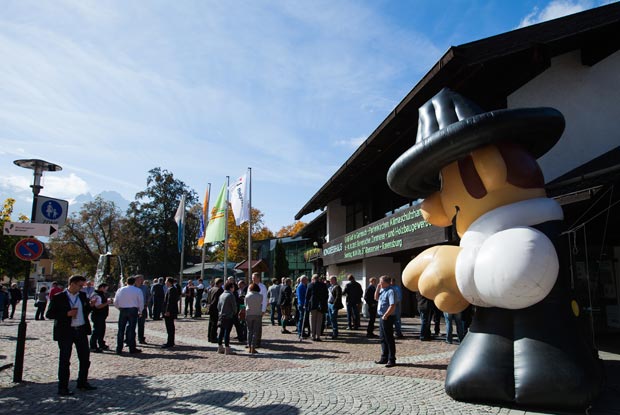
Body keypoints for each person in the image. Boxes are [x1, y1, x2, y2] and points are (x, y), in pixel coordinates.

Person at [45, 275, 97, 395]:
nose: (82, 288)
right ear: (72, 284)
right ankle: (63, 387)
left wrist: (90, 306)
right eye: (80, 285)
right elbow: (49, 314)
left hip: (81, 330)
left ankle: (82, 382)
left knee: (85, 359)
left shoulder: (82, 296)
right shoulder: (59, 297)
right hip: (66, 331)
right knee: (65, 360)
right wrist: (66, 314)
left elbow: (85, 311)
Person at [113, 276, 144, 355]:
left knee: (121, 329)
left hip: (123, 309)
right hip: (133, 310)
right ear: (134, 282)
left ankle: (119, 348)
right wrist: (140, 311)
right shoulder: (137, 290)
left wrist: (119, 308)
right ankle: (132, 348)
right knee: (131, 329)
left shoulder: (120, 290)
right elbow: (141, 302)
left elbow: (115, 301)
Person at [375, 275, 396, 368]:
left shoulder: (391, 291)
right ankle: (384, 357)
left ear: (386, 282)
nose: (380, 283)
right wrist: (377, 288)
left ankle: (391, 359)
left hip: (387, 317)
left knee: (389, 338)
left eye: (381, 281)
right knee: (382, 338)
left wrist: (386, 315)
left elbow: (392, 305)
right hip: (382, 316)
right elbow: (376, 298)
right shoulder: (382, 290)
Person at [217, 281, 238, 355]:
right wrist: (235, 312)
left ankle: (220, 347)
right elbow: (234, 306)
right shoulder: (230, 295)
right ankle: (227, 348)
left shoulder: (221, 295)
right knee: (227, 332)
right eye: (233, 287)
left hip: (221, 315)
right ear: (231, 287)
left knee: (221, 331)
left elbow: (218, 306)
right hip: (229, 316)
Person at [305, 274, 328, 341]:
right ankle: (318, 336)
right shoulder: (323, 285)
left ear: (313, 279)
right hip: (321, 305)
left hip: (313, 305)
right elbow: (326, 295)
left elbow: (307, 296)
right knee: (319, 321)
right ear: (318, 279)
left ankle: (313, 335)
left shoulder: (310, 285)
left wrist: (306, 304)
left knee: (312, 320)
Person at [89, 283, 111, 352]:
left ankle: (101, 344)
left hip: (101, 316)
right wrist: (107, 302)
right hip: (97, 315)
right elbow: (98, 306)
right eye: (105, 288)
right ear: (101, 287)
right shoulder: (96, 295)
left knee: (101, 331)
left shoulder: (100, 294)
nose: (106, 290)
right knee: (96, 331)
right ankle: (93, 346)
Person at [245, 283, 263, 355]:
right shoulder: (260, 296)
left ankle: (249, 346)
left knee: (249, 331)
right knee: (255, 331)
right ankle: (253, 347)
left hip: (249, 313)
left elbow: (246, 304)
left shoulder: (247, 296)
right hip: (258, 314)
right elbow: (261, 304)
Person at [162, 277, 180, 348]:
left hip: (170, 311)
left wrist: (167, 310)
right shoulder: (171, 289)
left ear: (169, 282)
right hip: (171, 311)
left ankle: (170, 342)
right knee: (170, 326)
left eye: (166, 281)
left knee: (169, 327)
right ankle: (170, 341)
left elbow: (170, 301)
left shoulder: (171, 289)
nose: (165, 282)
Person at [251, 273, 268, 346]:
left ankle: (257, 341)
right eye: (252, 278)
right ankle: (251, 341)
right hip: (251, 308)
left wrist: (263, 310)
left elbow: (264, 299)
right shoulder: (250, 286)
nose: (253, 279)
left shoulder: (262, 287)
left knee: (258, 325)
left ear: (258, 278)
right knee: (251, 325)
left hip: (259, 307)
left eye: (254, 278)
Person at [134, 275, 151, 344]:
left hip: (142, 308)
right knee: (131, 325)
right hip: (133, 308)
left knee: (141, 324)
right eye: (139, 279)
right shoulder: (132, 287)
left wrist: (146, 303)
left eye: (142, 279)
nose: (141, 281)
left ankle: (141, 339)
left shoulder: (145, 287)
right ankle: (129, 339)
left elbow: (149, 296)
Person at [207, 278, 224, 343]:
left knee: (211, 323)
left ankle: (209, 337)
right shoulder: (219, 290)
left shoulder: (211, 289)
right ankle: (213, 337)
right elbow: (218, 300)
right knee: (214, 324)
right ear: (219, 283)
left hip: (210, 307)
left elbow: (208, 299)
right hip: (215, 308)